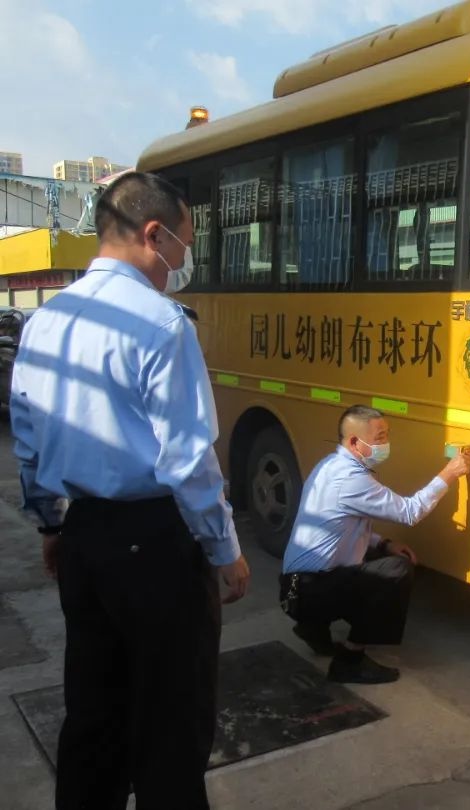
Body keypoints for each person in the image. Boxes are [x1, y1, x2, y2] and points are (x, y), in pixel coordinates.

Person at [10, 171, 250, 810]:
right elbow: (188, 460)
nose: (183, 259)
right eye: (184, 243)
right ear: (154, 234)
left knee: (94, 713)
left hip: (86, 540)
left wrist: (54, 528)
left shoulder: (46, 322)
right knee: (172, 723)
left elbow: (28, 445)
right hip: (157, 544)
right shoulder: (161, 323)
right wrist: (224, 550)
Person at [280, 405, 470, 684]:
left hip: (295, 589)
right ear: (355, 443)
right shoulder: (351, 480)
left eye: (386, 435)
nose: (386, 444)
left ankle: (313, 629)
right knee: (396, 571)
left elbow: (340, 526)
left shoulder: (329, 465)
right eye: (380, 437)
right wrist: (450, 473)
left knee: (377, 558)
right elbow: (411, 511)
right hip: (308, 592)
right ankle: (349, 660)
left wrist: (383, 543)